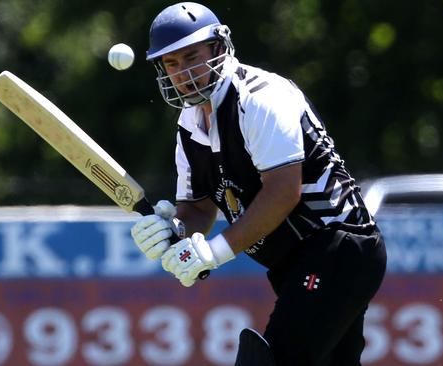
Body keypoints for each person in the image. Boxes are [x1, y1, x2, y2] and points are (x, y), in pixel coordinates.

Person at [130, 2, 387, 365]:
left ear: (219, 47)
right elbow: (200, 207)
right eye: (171, 63)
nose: (183, 73)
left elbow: (283, 193)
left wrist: (213, 253)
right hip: (293, 261)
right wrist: (173, 231)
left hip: (337, 247)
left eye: (192, 57)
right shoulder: (190, 123)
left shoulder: (260, 97)